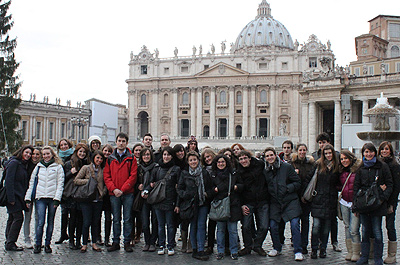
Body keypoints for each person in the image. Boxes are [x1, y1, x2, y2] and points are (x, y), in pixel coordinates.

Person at [353, 143, 393, 265]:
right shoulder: (360, 168)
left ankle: (378, 257)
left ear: (375, 152)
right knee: (364, 231)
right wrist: (356, 206)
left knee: (377, 231)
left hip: (377, 205)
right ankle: (364, 256)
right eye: (366, 152)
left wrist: (382, 198)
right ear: (363, 154)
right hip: (364, 205)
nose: (368, 154)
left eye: (370, 152)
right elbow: (356, 187)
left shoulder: (382, 166)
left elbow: (390, 184)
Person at [264, 147, 303, 261]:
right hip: (276, 202)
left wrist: (287, 188)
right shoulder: (266, 171)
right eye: (267, 156)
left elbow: (297, 182)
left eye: (271, 155)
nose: (270, 157)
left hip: (290, 200)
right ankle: (277, 247)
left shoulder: (286, 167)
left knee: (295, 224)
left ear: (275, 155)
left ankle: (298, 250)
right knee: (273, 225)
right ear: (265, 158)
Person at [25, 146, 65, 254]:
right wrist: (28, 198)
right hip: (40, 197)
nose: (46, 156)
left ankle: (47, 243)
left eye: (48, 154)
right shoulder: (38, 167)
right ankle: (38, 244)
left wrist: (57, 198)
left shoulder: (58, 167)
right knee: (40, 222)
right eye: (44, 154)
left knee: (50, 222)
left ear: (52, 154)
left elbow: (60, 184)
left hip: (52, 198)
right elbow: (32, 183)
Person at [104, 132, 137, 252]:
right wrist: (113, 189)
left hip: (127, 193)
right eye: (119, 141)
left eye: (123, 141)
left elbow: (133, 176)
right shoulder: (110, 159)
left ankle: (127, 241)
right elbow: (106, 176)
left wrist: (122, 189)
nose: (121, 143)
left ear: (126, 143)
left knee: (127, 218)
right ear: (116, 142)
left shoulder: (131, 158)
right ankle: (116, 241)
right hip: (114, 193)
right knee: (116, 219)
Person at [177, 151, 213, 261]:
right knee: (193, 225)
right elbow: (180, 188)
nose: (193, 162)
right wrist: (186, 195)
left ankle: (201, 249)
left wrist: (206, 194)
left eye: (195, 159)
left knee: (201, 225)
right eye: (191, 160)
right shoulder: (184, 173)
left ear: (198, 160)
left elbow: (210, 187)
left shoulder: (204, 172)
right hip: (190, 204)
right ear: (188, 162)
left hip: (202, 203)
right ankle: (195, 249)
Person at [306, 144, 340, 259]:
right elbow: (309, 179)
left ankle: (323, 249)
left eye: (330, 153)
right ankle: (314, 249)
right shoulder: (317, 165)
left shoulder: (337, 167)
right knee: (316, 226)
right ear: (323, 154)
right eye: (326, 153)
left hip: (330, 200)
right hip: (318, 199)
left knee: (326, 228)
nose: (328, 155)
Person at [148, 146, 180, 256]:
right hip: (159, 200)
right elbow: (152, 182)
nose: (166, 157)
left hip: (170, 200)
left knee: (170, 225)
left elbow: (179, 188)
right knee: (160, 225)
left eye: (168, 155)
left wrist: (177, 203)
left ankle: (170, 245)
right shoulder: (157, 168)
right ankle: (161, 244)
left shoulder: (176, 169)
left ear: (172, 156)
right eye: (164, 154)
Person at [236, 150, 269, 257]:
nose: (243, 161)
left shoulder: (260, 165)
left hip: (262, 200)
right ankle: (248, 246)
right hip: (247, 201)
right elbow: (239, 191)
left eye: (245, 158)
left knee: (264, 226)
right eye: (241, 159)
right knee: (245, 226)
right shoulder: (238, 171)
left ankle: (257, 245)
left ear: (250, 158)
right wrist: (241, 205)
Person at [211, 154, 243, 260]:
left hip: (232, 204)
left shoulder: (233, 173)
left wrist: (237, 187)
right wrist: (214, 190)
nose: (221, 164)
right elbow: (210, 189)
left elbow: (242, 185)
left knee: (233, 230)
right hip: (220, 205)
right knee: (220, 230)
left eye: (223, 162)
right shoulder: (213, 175)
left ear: (227, 163)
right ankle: (220, 250)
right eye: (219, 162)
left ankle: (234, 250)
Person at [74, 150, 107, 253]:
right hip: (87, 199)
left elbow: (105, 183)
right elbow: (76, 180)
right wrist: (88, 182)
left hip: (98, 199)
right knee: (86, 222)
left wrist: (103, 192)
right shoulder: (86, 168)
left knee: (95, 222)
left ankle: (94, 243)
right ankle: (84, 244)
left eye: (101, 158)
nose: (99, 160)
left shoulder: (103, 169)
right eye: (97, 158)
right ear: (93, 158)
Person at [4, 145, 34, 251]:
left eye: (30, 154)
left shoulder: (22, 164)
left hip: (18, 196)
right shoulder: (14, 163)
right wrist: (11, 198)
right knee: (18, 218)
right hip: (13, 196)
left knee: (12, 218)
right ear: (21, 152)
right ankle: (11, 242)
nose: (28, 155)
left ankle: (8, 240)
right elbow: (9, 181)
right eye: (26, 152)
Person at [63, 143, 90, 250]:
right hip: (72, 194)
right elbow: (63, 178)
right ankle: (71, 240)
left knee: (81, 219)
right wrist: (71, 172)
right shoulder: (69, 164)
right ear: (76, 152)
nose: (82, 154)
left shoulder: (88, 164)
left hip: (83, 194)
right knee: (72, 218)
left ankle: (78, 240)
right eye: (80, 152)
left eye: (84, 152)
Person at [289, 143, 314, 254]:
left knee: (305, 221)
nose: (302, 152)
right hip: (295, 198)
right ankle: (296, 242)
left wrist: (305, 195)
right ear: (297, 151)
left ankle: (304, 244)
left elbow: (311, 181)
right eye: (300, 150)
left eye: (304, 150)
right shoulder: (291, 164)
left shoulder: (311, 165)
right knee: (295, 222)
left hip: (306, 197)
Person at [378, 141, 400, 264]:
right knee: (375, 226)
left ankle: (392, 255)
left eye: (386, 149)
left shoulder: (395, 165)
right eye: (382, 149)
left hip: (390, 200)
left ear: (390, 151)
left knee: (390, 226)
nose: (384, 151)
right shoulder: (378, 163)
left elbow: (396, 187)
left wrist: (392, 203)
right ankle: (374, 252)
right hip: (379, 199)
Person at [338, 150, 361, 262]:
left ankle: (356, 252)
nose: (344, 161)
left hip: (355, 203)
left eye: (346, 158)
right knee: (347, 226)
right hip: (344, 202)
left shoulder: (358, 170)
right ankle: (350, 251)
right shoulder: (340, 171)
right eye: (342, 159)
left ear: (351, 158)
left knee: (354, 229)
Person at [138, 147, 158, 252]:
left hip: (153, 197)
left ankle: (152, 242)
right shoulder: (139, 168)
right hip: (143, 199)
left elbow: (158, 181)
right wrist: (139, 186)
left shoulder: (156, 167)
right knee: (145, 222)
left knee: (155, 221)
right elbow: (135, 181)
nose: (146, 156)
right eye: (144, 155)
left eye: (148, 154)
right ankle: (147, 241)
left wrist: (150, 187)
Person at [56, 138, 74, 245]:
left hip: (71, 188)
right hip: (62, 189)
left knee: (72, 213)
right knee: (63, 213)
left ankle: (72, 235)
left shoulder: (73, 157)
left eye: (65, 144)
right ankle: (63, 234)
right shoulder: (57, 158)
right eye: (61, 145)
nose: (63, 146)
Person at [23, 147, 41, 249]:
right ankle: (27, 239)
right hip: (28, 194)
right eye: (33, 154)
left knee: (38, 218)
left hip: (39, 194)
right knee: (27, 218)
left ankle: (37, 238)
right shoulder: (26, 165)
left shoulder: (41, 166)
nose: (35, 156)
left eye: (37, 154)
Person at [200, 148, 218, 255]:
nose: (207, 159)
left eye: (208, 156)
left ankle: (220, 245)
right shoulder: (203, 169)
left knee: (215, 224)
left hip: (216, 199)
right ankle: (209, 245)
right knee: (206, 223)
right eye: (205, 157)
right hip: (206, 199)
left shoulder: (219, 167)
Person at [100, 144, 114, 247]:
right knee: (97, 217)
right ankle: (98, 237)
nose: (107, 153)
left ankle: (106, 238)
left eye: (109, 151)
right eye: (105, 151)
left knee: (108, 217)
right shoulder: (98, 163)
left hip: (109, 193)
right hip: (99, 194)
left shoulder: (112, 162)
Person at [131, 143, 144, 246]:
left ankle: (138, 234)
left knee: (140, 216)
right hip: (131, 191)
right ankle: (131, 235)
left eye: (140, 150)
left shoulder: (146, 163)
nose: (138, 152)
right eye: (136, 150)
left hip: (141, 193)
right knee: (130, 216)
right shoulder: (130, 162)